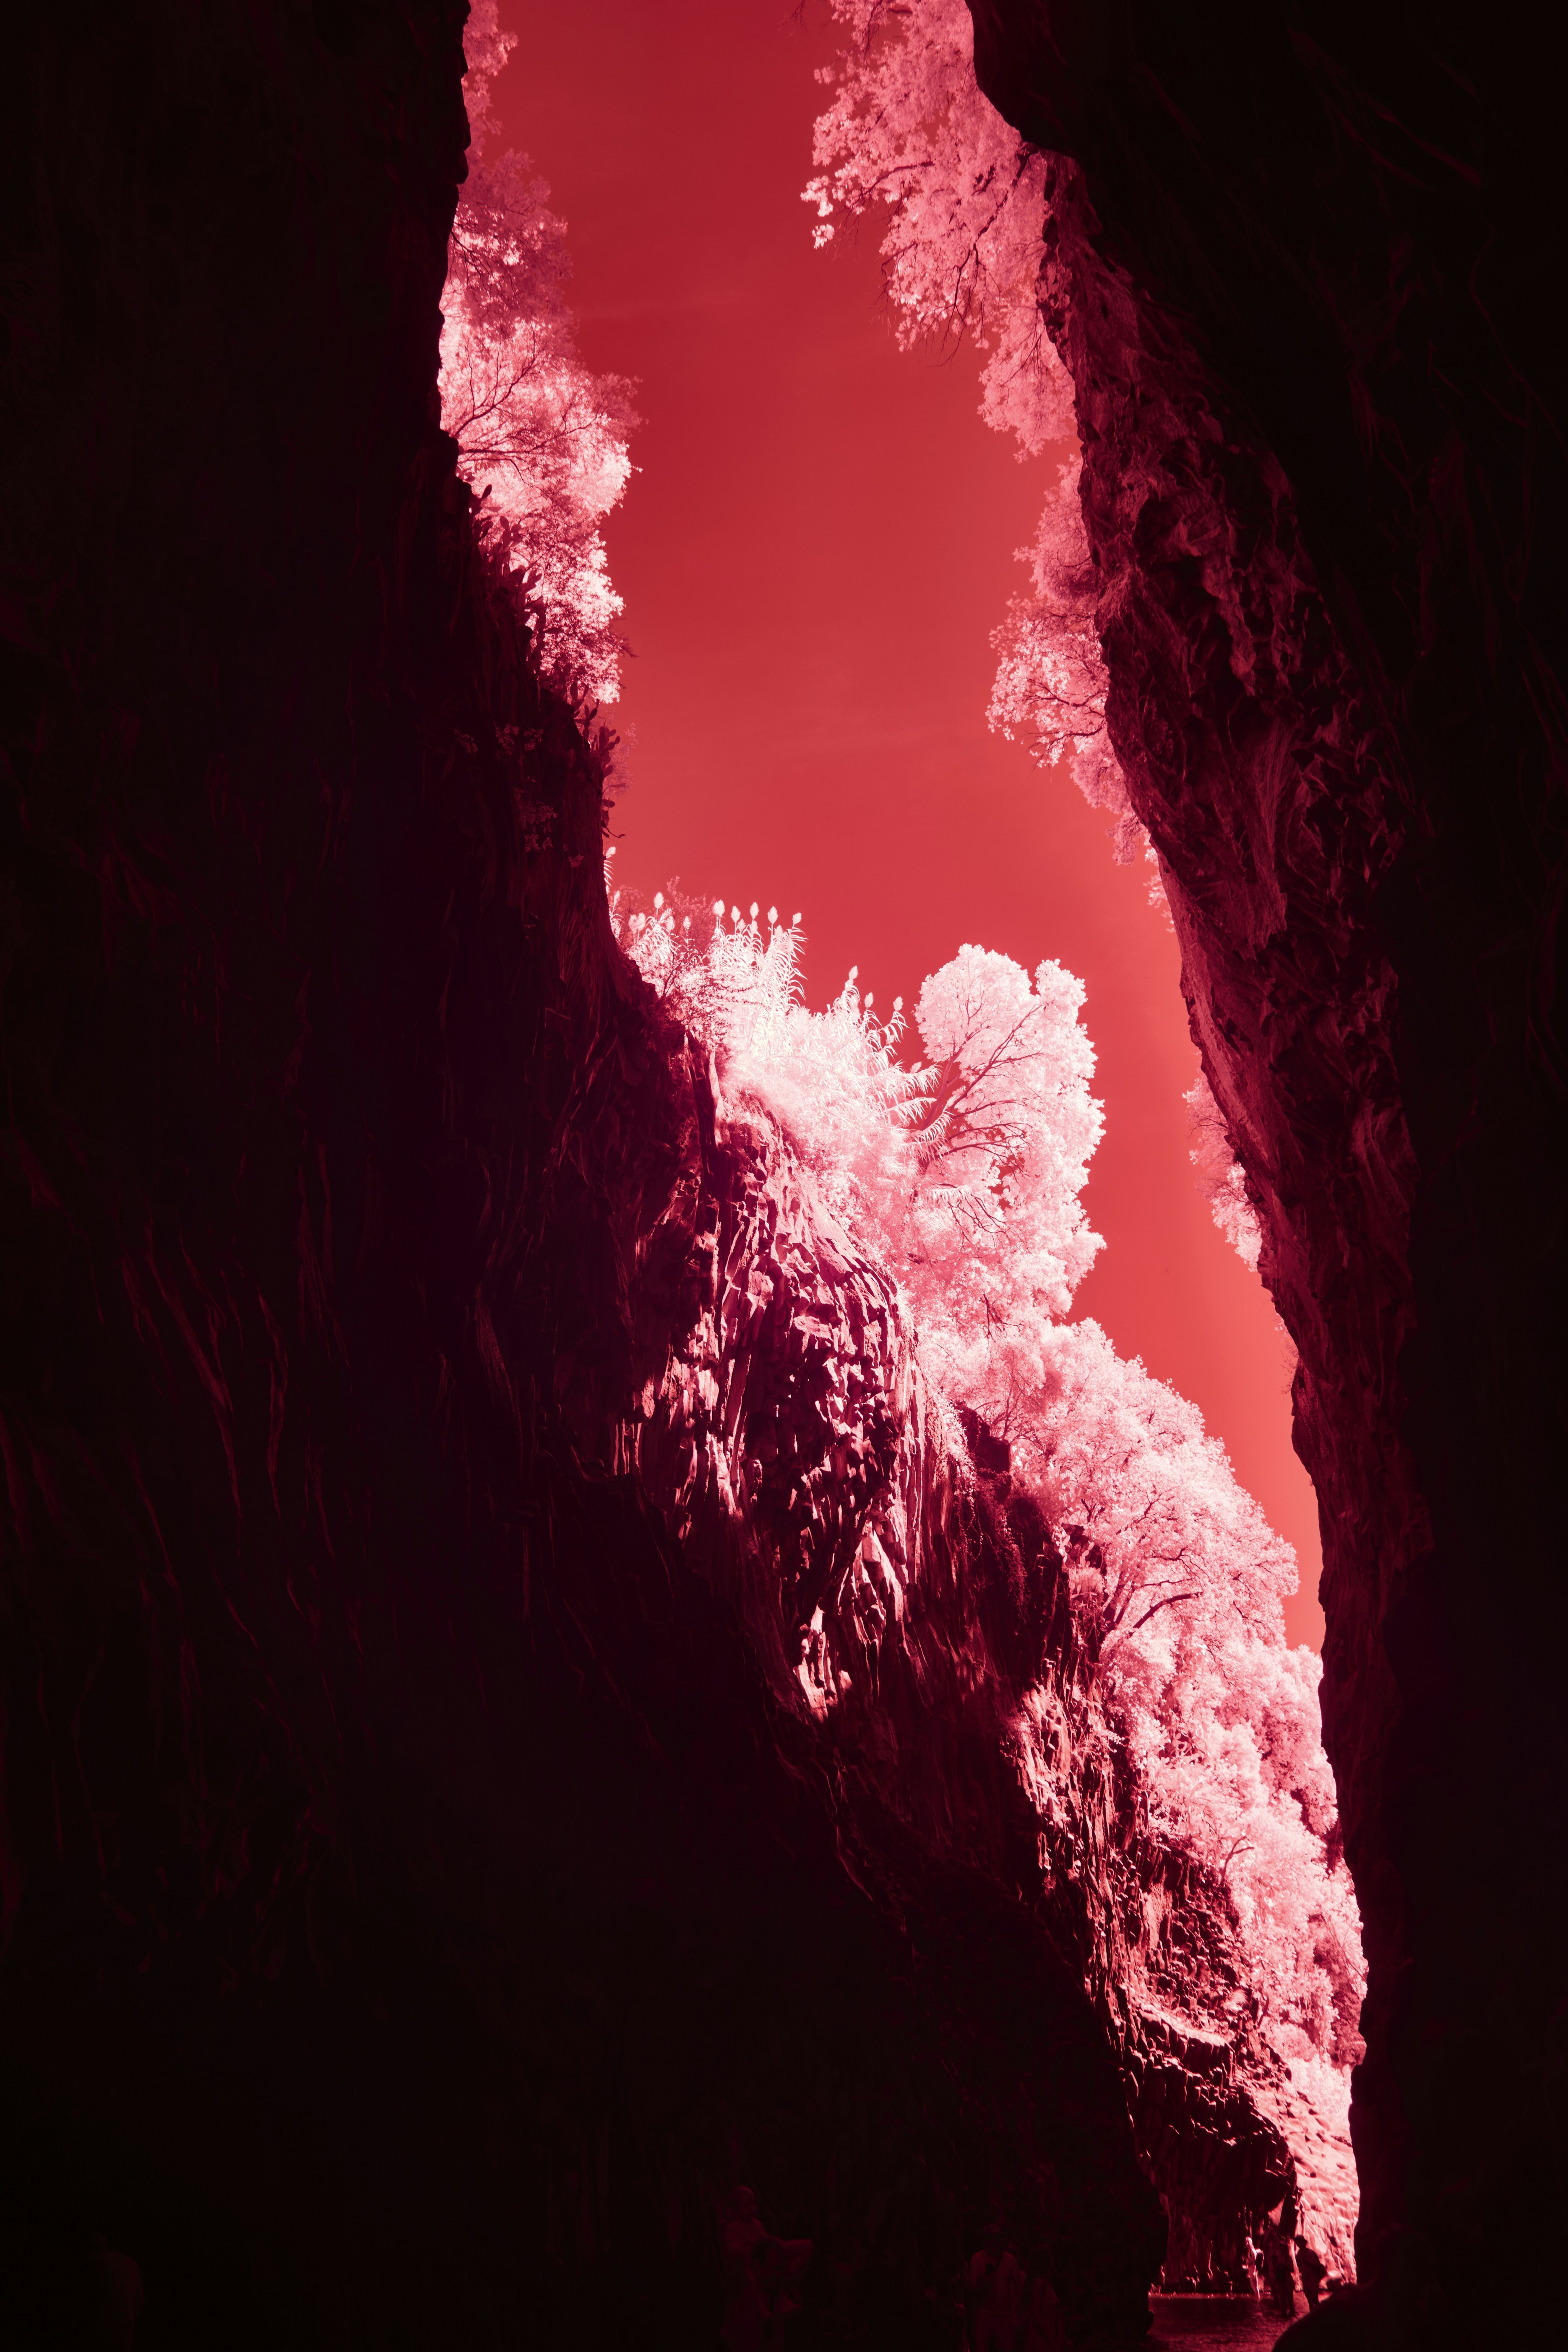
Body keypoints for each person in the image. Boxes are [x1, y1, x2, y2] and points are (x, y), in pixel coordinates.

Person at [719, 2186, 812, 2352]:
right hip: (752, 2277)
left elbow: (767, 2243)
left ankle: (784, 2292)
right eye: (747, 2206)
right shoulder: (733, 2230)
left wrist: (776, 2244)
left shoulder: (757, 2225)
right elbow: (733, 2250)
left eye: (754, 2204)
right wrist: (742, 2251)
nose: (753, 2209)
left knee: (806, 2247)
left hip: (766, 2270)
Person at [969, 2224, 1023, 2352]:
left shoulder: (1010, 2261)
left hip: (1005, 2315)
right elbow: (972, 2290)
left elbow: (1019, 2289)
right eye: (991, 2239)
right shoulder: (977, 2260)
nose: (994, 2242)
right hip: (984, 2314)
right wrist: (984, 2284)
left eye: (997, 2238)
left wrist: (1018, 2313)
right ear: (986, 2241)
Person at [89, 2237, 144, 2352]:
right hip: (125, 2328)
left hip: (95, 2328)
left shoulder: (88, 2262)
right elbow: (139, 2305)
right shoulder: (132, 2264)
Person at [1295, 2236, 1327, 2311]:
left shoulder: (1310, 2253)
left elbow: (1315, 2265)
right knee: (1310, 2301)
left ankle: (1320, 2314)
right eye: (1296, 2241)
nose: (1297, 2243)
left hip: (1312, 2279)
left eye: (1298, 2241)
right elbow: (1299, 2265)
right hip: (1305, 2279)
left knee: (1315, 2300)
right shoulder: (1299, 2254)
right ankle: (1313, 2316)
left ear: (1303, 2242)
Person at [1242, 2235, 1261, 2299]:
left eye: (1248, 2242)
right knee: (1253, 2286)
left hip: (1254, 2271)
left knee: (1256, 2286)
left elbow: (1255, 2262)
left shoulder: (1253, 2251)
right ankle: (1257, 2299)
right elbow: (1251, 2262)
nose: (1247, 2244)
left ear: (1251, 2242)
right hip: (1250, 2270)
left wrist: (1254, 2272)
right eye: (1246, 2242)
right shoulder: (1249, 2251)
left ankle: (1258, 2300)